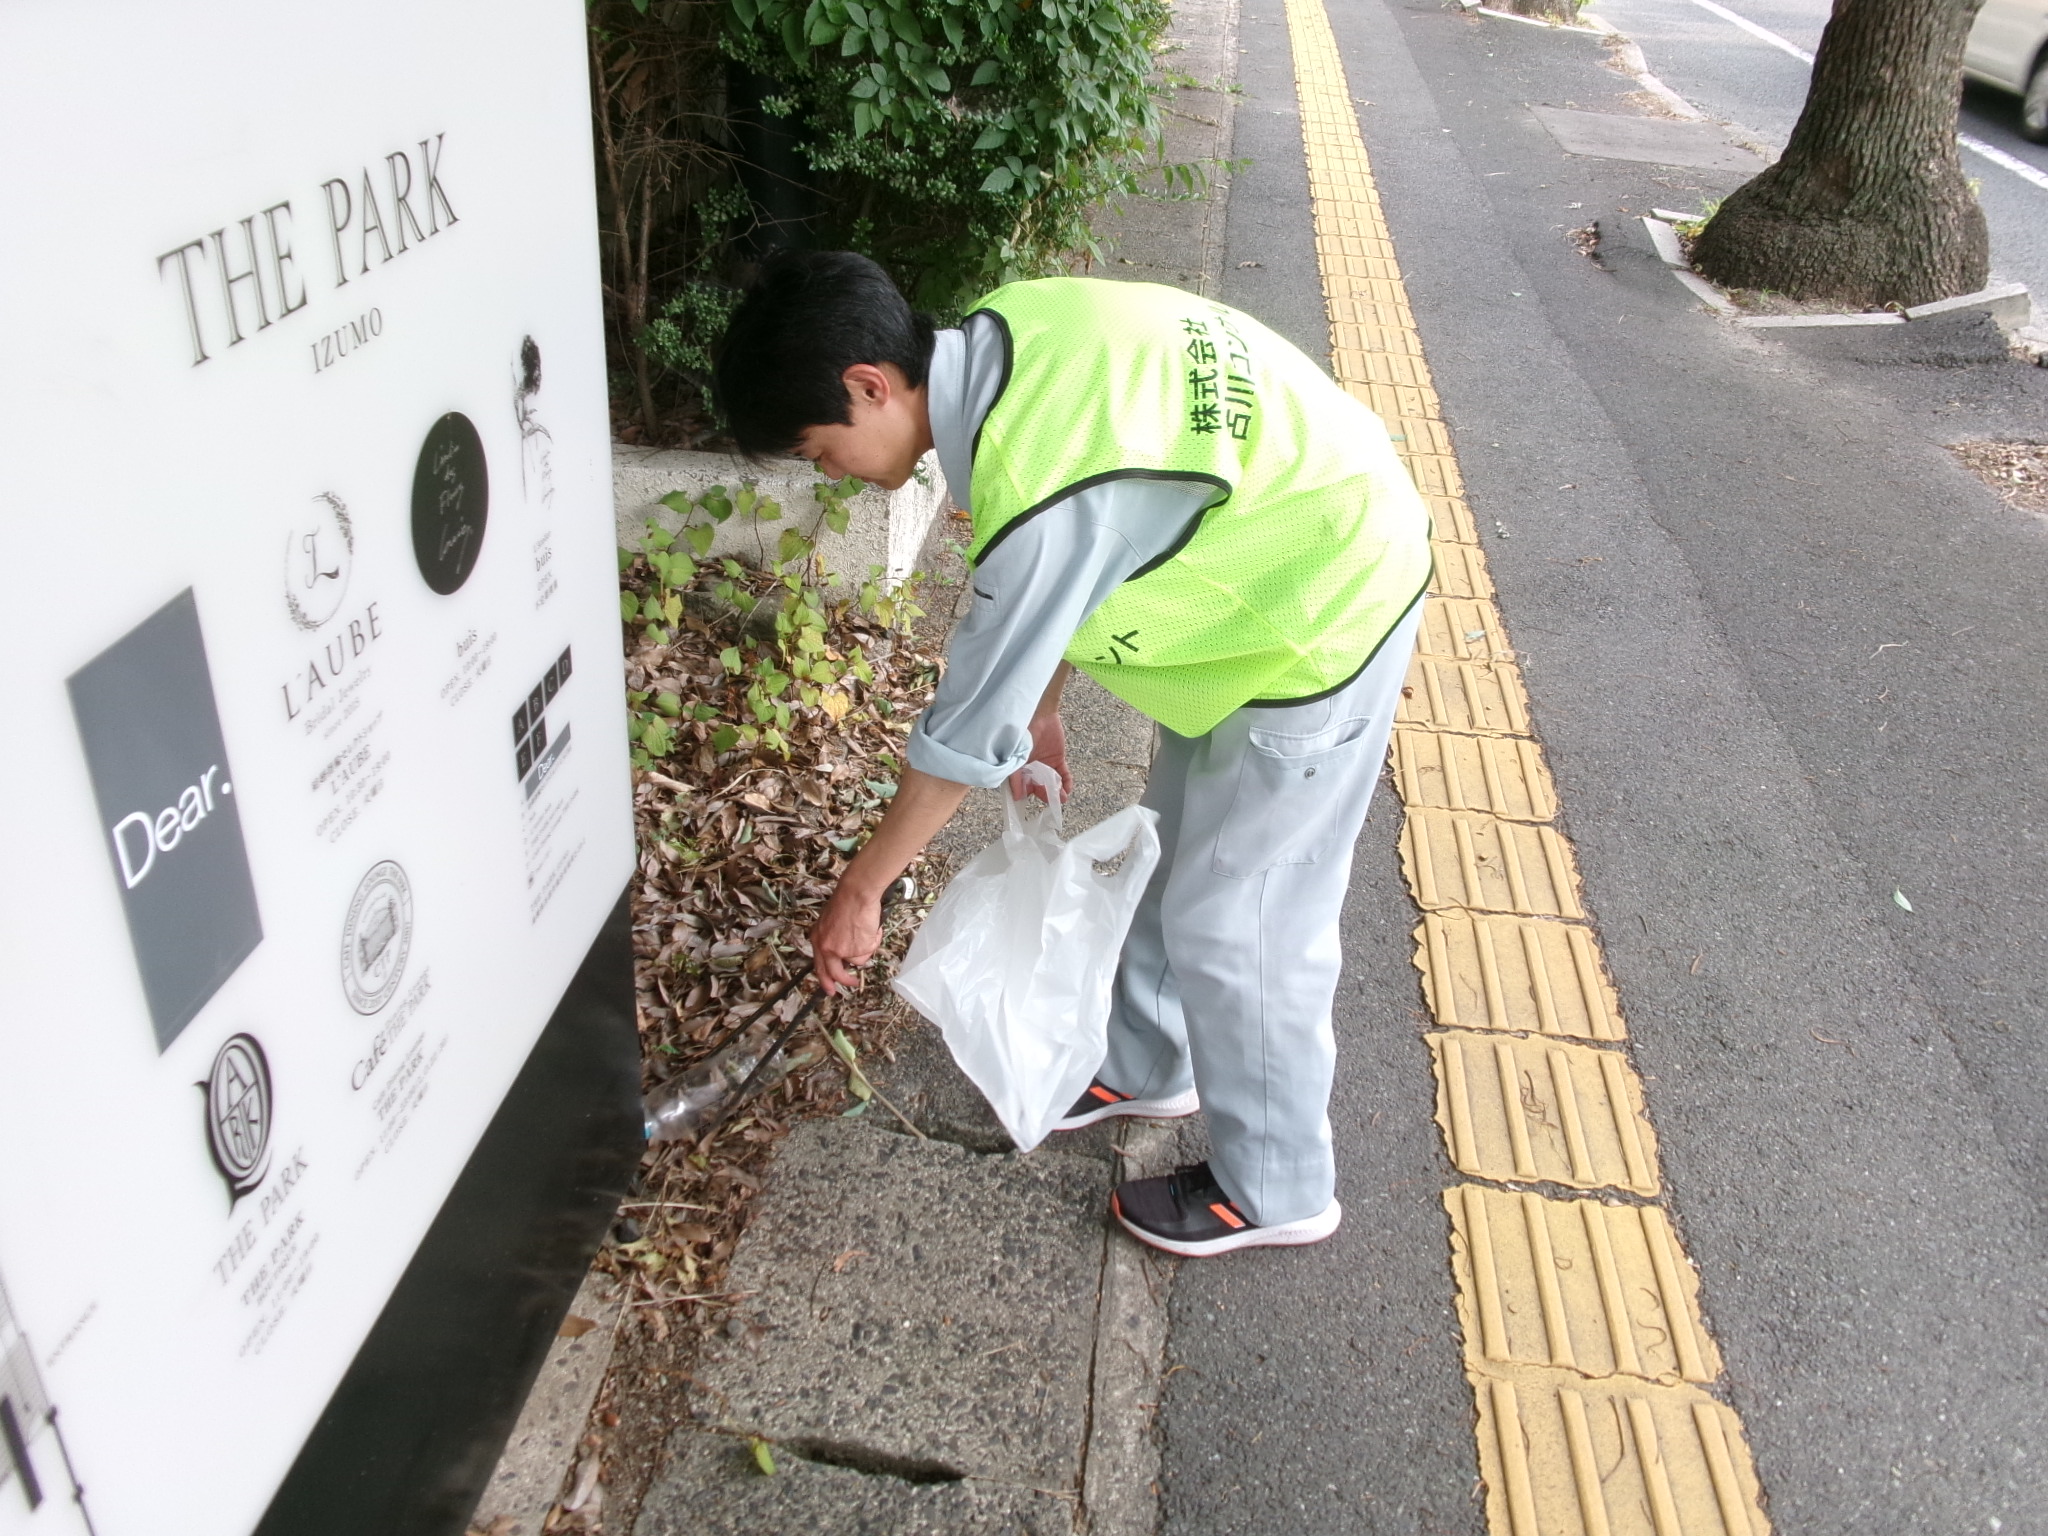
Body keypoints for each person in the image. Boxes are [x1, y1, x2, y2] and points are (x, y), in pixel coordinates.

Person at [712, 252, 1431, 1257]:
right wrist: (1044, 707)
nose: (826, 472)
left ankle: (1278, 1186)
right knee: (1179, 853)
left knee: (1242, 916)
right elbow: (1078, 567)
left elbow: (961, 734)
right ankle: (1146, 1064)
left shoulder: (1035, 483)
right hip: (1268, 552)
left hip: (1322, 600)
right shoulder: (1007, 333)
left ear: (867, 386)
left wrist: (863, 892)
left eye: (818, 449)